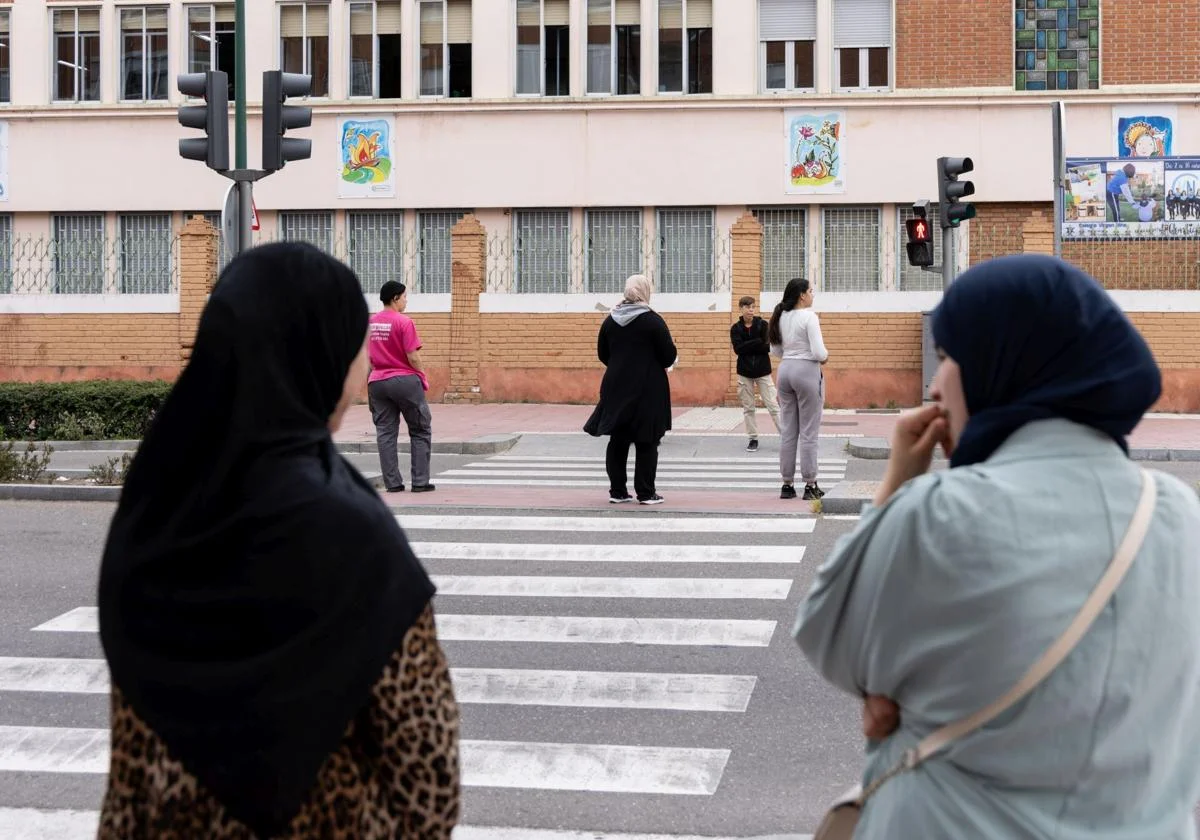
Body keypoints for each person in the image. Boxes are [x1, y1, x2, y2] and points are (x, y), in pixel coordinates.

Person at [794, 254, 1200, 839]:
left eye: (948, 358)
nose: (934, 385)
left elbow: (828, 634)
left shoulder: (942, 513)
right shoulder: (1178, 512)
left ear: (1002, 365)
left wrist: (897, 485)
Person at [97, 243, 461, 839]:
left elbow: (130, 771)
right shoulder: (349, 533)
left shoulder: (158, 506)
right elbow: (426, 777)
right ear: (315, 356)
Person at [584, 274, 677, 506]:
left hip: (616, 385)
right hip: (648, 387)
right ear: (645, 291)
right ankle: (645, 492)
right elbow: (668, 355)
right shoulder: (653, 321)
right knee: (647, 440)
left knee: (618, 438)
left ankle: (617, 491)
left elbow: (603, 354)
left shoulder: (610, 320)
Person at [368, 280, 434, 493]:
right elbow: (412, 356)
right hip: (404, 381)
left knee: (385, 433)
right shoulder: (404, 322)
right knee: (420, 429)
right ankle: (420, 482)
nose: (406, 301)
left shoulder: (371, 323)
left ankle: (393, 484)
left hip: (377, 381)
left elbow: (368, 356)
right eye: (404, 297)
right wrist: (422, 375)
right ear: (395, 298)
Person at [768, 277, 828, 500]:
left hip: (784, 372)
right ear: (802, 295)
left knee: (788, 430)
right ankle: (810, 484)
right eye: (811, 291)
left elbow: (775, 351)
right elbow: (820, 353)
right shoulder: (809, 317)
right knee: (809, 431)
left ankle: (787, 484)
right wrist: (826, 357)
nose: (813, 295)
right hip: (806, 372)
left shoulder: (780, 316)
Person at [730, 294, 781, 452]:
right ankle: (753, 439)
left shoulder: (763, 325)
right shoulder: (736, 328)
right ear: (741, 308)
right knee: (748, 408)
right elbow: (738, 349)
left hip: (763, 371)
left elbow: (767, 346)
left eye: (753, 307)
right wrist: (757, 342)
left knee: (773, 405)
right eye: (747, 307)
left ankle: (786, 437)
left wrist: (750, 344)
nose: (751, 310)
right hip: (744, 373)